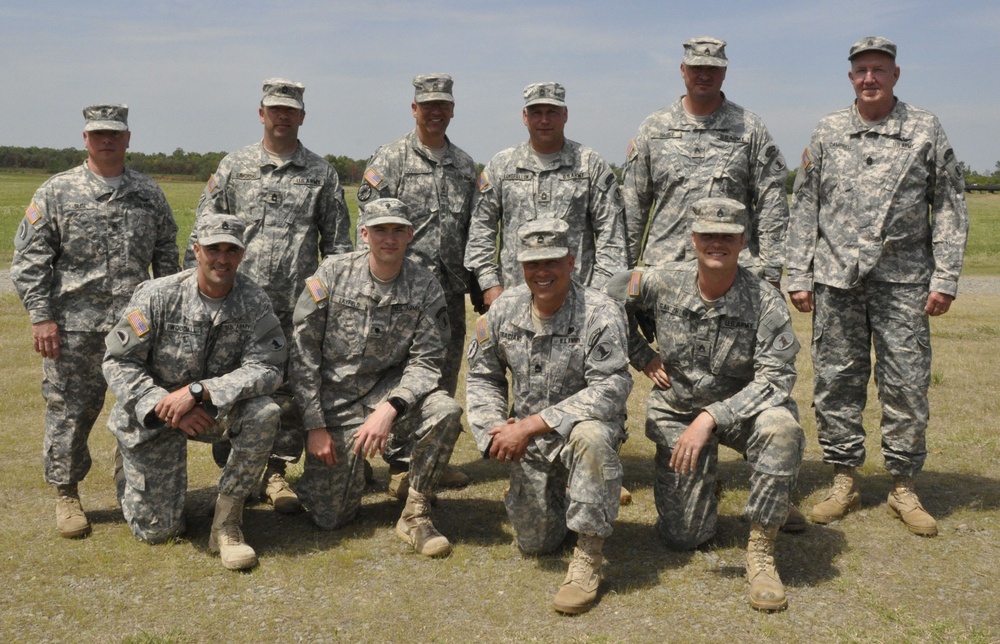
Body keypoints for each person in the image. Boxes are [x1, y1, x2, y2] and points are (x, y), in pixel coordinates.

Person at [786, 37, 969, 537]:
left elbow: (949, 206)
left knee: (906, 386)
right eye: (861, 70)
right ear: (851, 77)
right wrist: (798, 274)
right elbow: (805, 205)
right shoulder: (828, 130)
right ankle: (843, 479)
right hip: (837, 280)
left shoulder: (924, 129)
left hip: (904, 281)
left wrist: (946, 277)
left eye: (879, 70)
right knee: (836, 381)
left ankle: (903, 486)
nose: (870, 78)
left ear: (896, 75)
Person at [606, 197, 804, 611]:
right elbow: (604, 301)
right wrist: (642, 354)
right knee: (683, 538)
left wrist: (713, 417)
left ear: (742, 241)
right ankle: (705, 482)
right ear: (693, 238)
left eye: (728, 236)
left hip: (740, 412)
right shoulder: (660, 279)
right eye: (708, 235)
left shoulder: (765, 300)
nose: (718, 243)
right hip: (679, 410)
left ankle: (762, 551)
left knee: (781, 429)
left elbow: (777, 378)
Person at [11, 104, 179, 539]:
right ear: (85, 139)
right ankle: (67, 494)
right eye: (98, 134)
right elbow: (30, 261)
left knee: (139, 409)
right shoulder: (56, 191)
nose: (106, 140)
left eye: (114, 134)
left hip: (135, 330)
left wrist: (168, 321)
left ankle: (133, 487)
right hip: (74, 328)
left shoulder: (148, 193)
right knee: (70, 411)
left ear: (127, 138)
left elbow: (166, 260)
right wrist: (41, 317)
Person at [186, 77, 353, 514]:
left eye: (290, 110)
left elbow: (337, 246)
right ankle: (238, 470)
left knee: (293, 390)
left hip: (298, 307)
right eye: (274, 109)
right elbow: (201, 236)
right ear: (261, 113)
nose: (282, 116)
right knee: (235, 385)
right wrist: (198, 294)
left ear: (301, 116)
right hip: (237, 305)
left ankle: (277, 473)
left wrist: (330, 301)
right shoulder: (233, 167)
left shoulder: (321, 173)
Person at [466, 219, 632, 614]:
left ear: (571, 261)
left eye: (551, 262)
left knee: (592, 436)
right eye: (532, 264)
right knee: (535, 544)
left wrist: (528, 425)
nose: (542, 272)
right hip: (530, 444)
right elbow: (482, 374)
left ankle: (588, 555)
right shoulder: (504, 307)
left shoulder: (600, 311)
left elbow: (611, 389)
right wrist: (494, 429)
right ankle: (573, 491)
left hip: (579, 432)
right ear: (520, 265)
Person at [103, 215, 284, 570]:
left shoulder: (254, 300)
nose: (222, 258)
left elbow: (269, 368)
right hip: (156, 414)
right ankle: (129, 463)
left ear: (242, 254)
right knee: (158, 531)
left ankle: (227, 525)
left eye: (231, 250)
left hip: (211, 409)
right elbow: (118, 362)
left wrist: (201, 392)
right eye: (213, 248)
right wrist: (163, 404)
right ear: (196, 251)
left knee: (265, 412)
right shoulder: (158, 295)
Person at [290, 198, 462, 557]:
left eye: (398, 229)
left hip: (389, 395)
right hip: (334, 402)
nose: (389, 238)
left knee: (444, 411)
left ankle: (416, 512)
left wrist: (390, 408)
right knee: (330, 518)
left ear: (410, 235)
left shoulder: (425, 285)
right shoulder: (332, 274)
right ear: (364, 233)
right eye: (381, 229)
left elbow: (427, 361)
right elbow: (303, 353)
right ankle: (342, 474)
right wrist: (314, 425)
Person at [356, 73, 476, 498]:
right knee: (397, 372)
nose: (436, 112)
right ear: (414, 109)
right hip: (399, 292)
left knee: (441, 374)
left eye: (443, 104)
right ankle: (398, 461)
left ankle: (430, 459)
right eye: (428, 105)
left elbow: (473, 230)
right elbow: (366, 227)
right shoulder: (389, 159)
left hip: (448, 292)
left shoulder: (463, 165)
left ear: (452, 109)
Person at [622, 36, 788, 287]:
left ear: (724, 73)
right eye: (697, 68)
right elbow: (634, 205)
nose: (704, 75)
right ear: (682, 70)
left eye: (713, 69)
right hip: (667, 270)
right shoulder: (654, 127)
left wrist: (772, 269)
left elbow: (772, 201)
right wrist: (625, 271)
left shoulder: (749, 127)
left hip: (733, 271)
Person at [464, 81, 628, 306]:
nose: (544, 120)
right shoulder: (502, 165)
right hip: (514, 299)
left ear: (565, 114)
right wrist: (490, 284)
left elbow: (612, 236)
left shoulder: (590, 164)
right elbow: (481, 229)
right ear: (524, 116)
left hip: (578, 301)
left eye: (552, 112)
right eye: (536, 112)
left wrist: (597, 294)